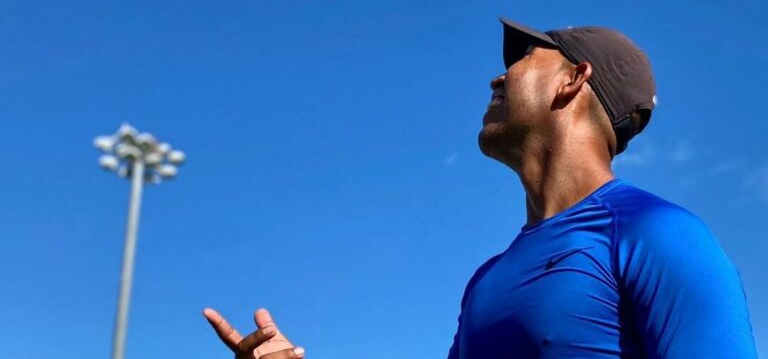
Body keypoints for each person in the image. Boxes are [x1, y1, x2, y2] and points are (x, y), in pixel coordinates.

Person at [204, 18, 758, 358]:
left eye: (524, 59)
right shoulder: (487, 281)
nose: (499, 75)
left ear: (574, 79)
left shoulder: (658, 235)